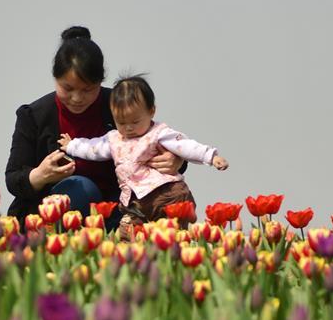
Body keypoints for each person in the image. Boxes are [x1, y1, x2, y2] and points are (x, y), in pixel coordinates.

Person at [5, 26, 186, 230]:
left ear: (100, 82)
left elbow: (158, 140)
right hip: (50, 217)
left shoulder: (119, 105)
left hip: (118, 209)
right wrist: (40, 175)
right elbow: (13, 179)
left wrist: (175, 160)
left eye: (88, 90)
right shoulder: (34, 116)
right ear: (55, 79)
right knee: (81, 188)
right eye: (68, 88)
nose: (77, 98)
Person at [58, 74, 228, 240]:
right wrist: (72, 145)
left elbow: (185, 146)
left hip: (166, 194)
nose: (129, 128)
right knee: (128, 233)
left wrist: (211, 157)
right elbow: (94, 149)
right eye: (122, 122)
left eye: (135, 121)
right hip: (134, 201)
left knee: (172, 236)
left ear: (151, 111)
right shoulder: (114, 138)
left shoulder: (158, 133)